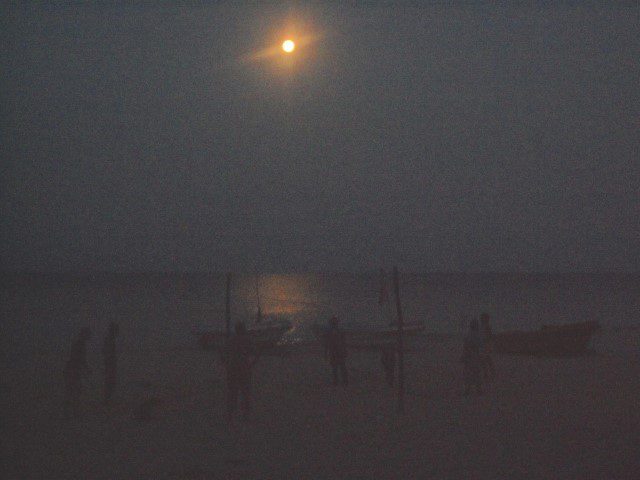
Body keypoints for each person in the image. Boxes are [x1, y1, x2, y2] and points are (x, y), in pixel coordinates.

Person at [224, 322, 257, 420]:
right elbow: (254, 352)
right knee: (245, 393)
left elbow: (224, 352)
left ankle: (230, 414)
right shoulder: (248, 340)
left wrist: (227, 364)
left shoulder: (231, 340)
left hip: (232, 368)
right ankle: (245, 415)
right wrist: (252, 363)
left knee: (232, 392)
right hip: (244, 368)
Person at [63, 327, 91, 418]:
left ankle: (70, 411)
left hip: (72, 369)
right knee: (75, 391)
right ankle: (74, 412)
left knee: (72, 390)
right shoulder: (80, 344)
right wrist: (87, 368)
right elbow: (81, 359)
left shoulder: (77, 343)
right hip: (74, 370)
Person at [324, 316, 348, 386]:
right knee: (340, 367)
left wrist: (325, 353)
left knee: (336, 368)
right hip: (338, 352)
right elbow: (343, 342)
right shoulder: (340, 331)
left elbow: (327, 344)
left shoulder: (330, 332)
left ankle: (338, 381)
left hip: (336, 352)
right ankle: (342, 381)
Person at [461, 319, 482, 396]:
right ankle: (478, 389)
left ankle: (467, 390)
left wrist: (463, 356)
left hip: (468, 355)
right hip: (475, 355)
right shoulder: (478, 335)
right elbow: (481, 345)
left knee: (467, 373)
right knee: (476, 373)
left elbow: (464, 346)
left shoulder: (467, 334)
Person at [103, 322, 119, 405]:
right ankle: (107, 400)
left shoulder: (110, 340)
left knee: (110, 381)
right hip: (110, 364)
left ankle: (107, 399)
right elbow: (108, 353)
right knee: (110, 381)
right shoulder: (109, 340)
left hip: (110, 364)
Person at [479, 312, 494, 381]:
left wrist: (487, 342)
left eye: (482, 318)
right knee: (484, 359)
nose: (481, 319)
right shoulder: (481, 326)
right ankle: (487, 372)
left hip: (486, 345)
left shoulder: (487, 327)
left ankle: (490, 372)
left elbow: (490, 336)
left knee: (486, 359)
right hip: (482, 345)